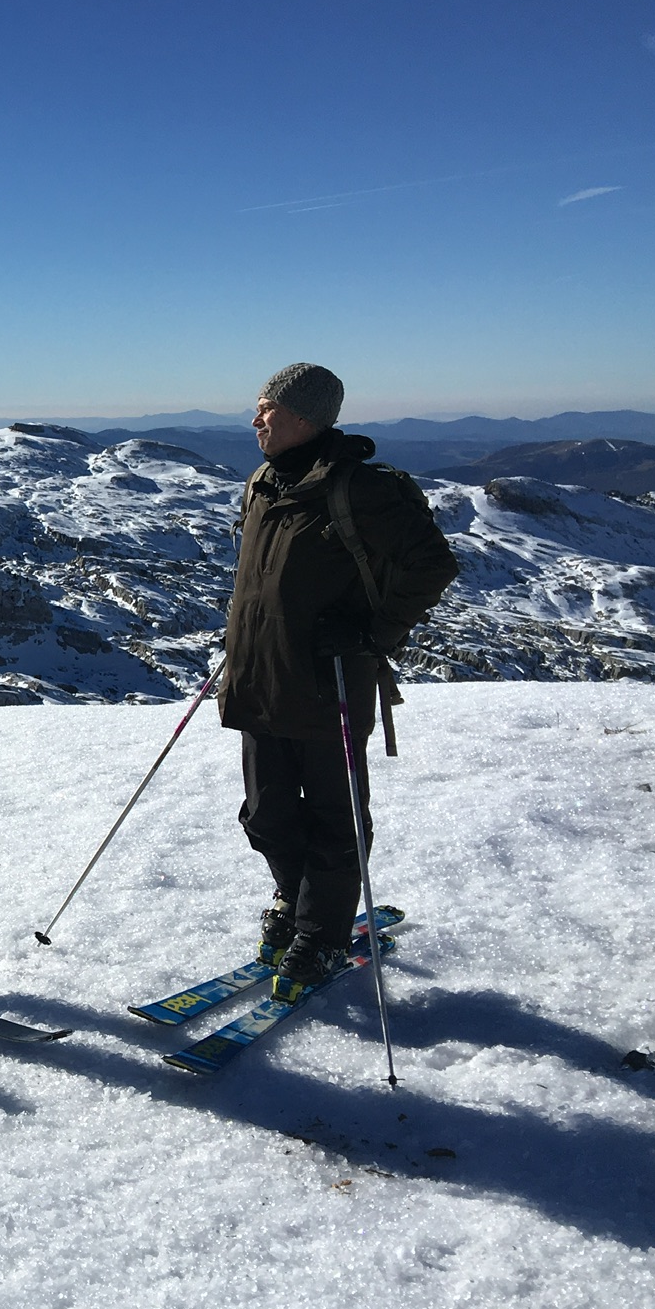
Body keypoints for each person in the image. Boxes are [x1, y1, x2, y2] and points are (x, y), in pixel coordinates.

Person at [219, 363, 458, 1000]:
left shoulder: (362, 490)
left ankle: (320, 937)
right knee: (266, 815)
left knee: (333, 818)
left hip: (329, 687)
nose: (255, 421)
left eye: (265, 409)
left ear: (303, 416)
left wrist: (371, 632)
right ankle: (297, 901)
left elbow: (433, 563)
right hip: (259, 680)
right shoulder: (265, 484)